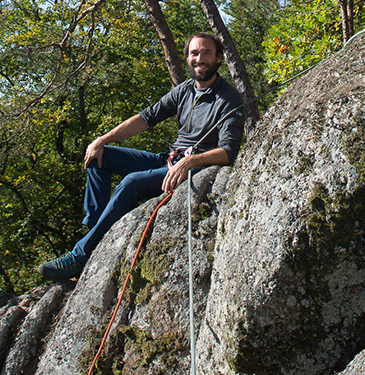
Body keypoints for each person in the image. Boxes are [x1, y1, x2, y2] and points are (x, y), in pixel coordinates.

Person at [37, 32, 246, 281]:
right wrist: (102, 140)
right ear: (187, 58)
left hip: (192, 167)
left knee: (131, 182)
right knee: (99, 157)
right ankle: (95, 230)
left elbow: (228, 152)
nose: (199, 58)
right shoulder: (184, 91)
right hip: (168, 159)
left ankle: (80, 256)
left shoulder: (229, 99)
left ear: (219, 58)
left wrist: (191, 161)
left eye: (206, 53)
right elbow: (146, 118)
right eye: (194, 53)